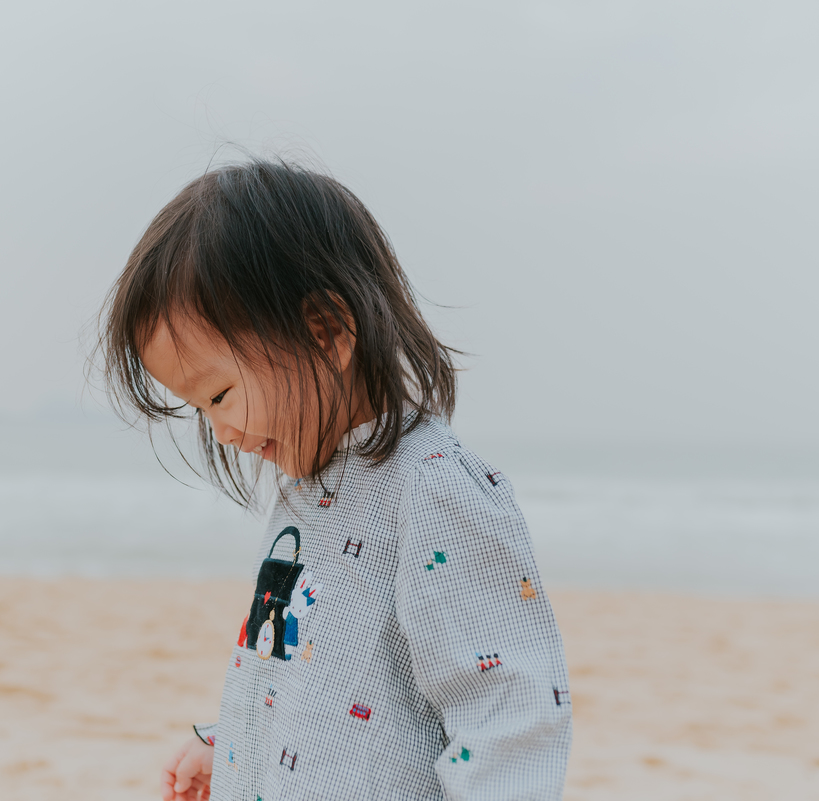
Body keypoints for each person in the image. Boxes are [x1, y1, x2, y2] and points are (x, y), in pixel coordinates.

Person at [96, 160, 571, 800]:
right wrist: (231, 745)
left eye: (220, 393)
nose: (220, 431)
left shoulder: (431, 489)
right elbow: (306, 668)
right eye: (200, 409)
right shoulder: (311, 490)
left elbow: (506, 712)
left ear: (326, 332)